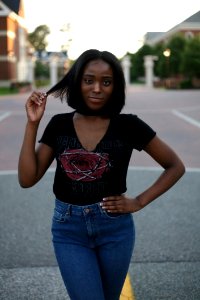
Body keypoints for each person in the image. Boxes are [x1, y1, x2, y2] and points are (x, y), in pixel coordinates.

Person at [18, 49, 185, 300]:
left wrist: (139, 201)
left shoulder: (129, 125)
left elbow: (175, 166)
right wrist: (32, 123)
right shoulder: (59, 125)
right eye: (89, 80)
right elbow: (27, 179)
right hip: (69, 230)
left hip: (115, 228)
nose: (97, 88)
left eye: (106, 82)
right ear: (78, 82)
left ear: (115, 86)